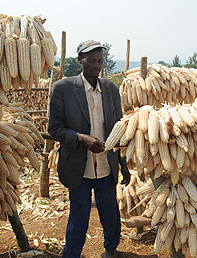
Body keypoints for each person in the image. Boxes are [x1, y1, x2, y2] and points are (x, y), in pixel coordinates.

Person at [48, 40, 131, 258]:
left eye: (100, 61)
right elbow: (55, 129)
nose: (96, 65)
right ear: (80, 60)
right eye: (91, 60)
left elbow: (119, 129)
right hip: (79, 168)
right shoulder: (63, 89)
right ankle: (71, 254)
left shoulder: (111, 90)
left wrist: (123, 165)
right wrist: (81, 138)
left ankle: (111, 250)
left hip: (106, 166)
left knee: (110, 214)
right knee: (79, 218)